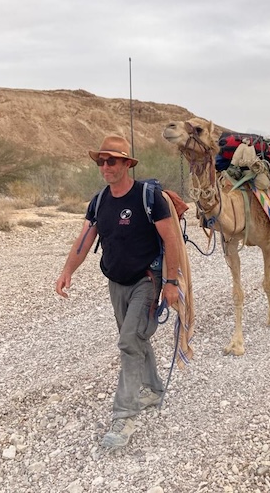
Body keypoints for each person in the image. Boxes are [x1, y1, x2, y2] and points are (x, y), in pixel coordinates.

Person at [55, 134, 180, 449]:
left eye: (112, 160)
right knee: (136, 338)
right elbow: (84, 241)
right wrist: (68, 270)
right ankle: (153, 389)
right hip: (116, 282)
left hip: (147, 280)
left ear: (127, 163)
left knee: (128, 341)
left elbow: (171, 241)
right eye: (101, 161)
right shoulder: (99, 201)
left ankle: (123, 418)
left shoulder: (148, 198)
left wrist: (172, 282)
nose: (105, 166)